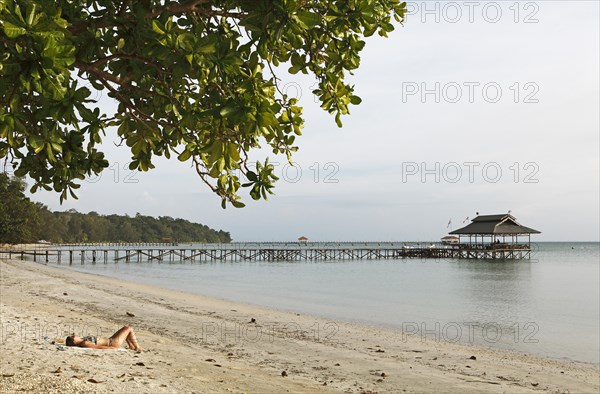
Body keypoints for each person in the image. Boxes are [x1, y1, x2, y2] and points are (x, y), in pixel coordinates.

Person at [65, 325, 143, 351]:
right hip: (112, 343)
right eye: (72, 337)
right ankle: (137, 347)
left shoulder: (82, 340)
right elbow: (97, 347)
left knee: (126, 331)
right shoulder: (84, 343)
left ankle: (132, 347)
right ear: (74, 342)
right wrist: (112, 348)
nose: (74, 335)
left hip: (111, 339)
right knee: (128, 328)